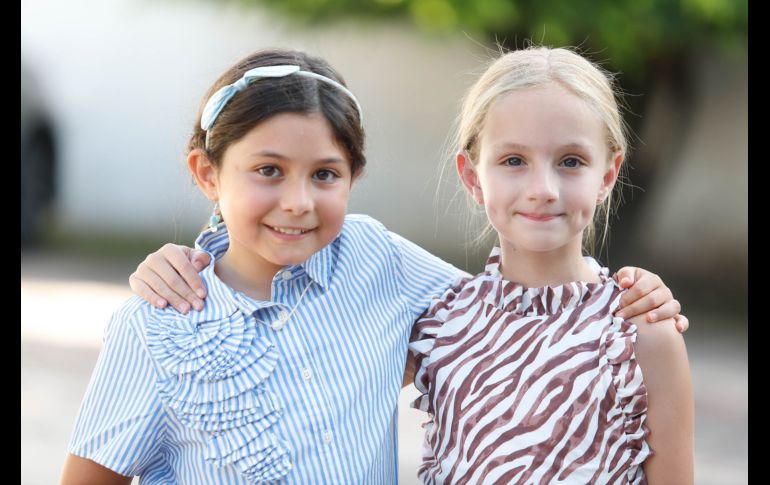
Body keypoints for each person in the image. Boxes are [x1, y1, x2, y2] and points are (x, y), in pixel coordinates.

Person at [71, 48, 686, 484]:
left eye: (324, 175)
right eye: (267, 170)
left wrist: (636, 292)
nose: (297, 201)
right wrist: (174, 257)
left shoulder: (378, 261)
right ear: (207, 173)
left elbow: (515, 312)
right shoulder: (158, 321)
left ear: (352, 177)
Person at [407, 46, 693, 484]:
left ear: (607, 175)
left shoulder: (642, 332)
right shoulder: (438, 327)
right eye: (514, 161)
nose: (543, 189)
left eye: (570, 161)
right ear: (471, 176)